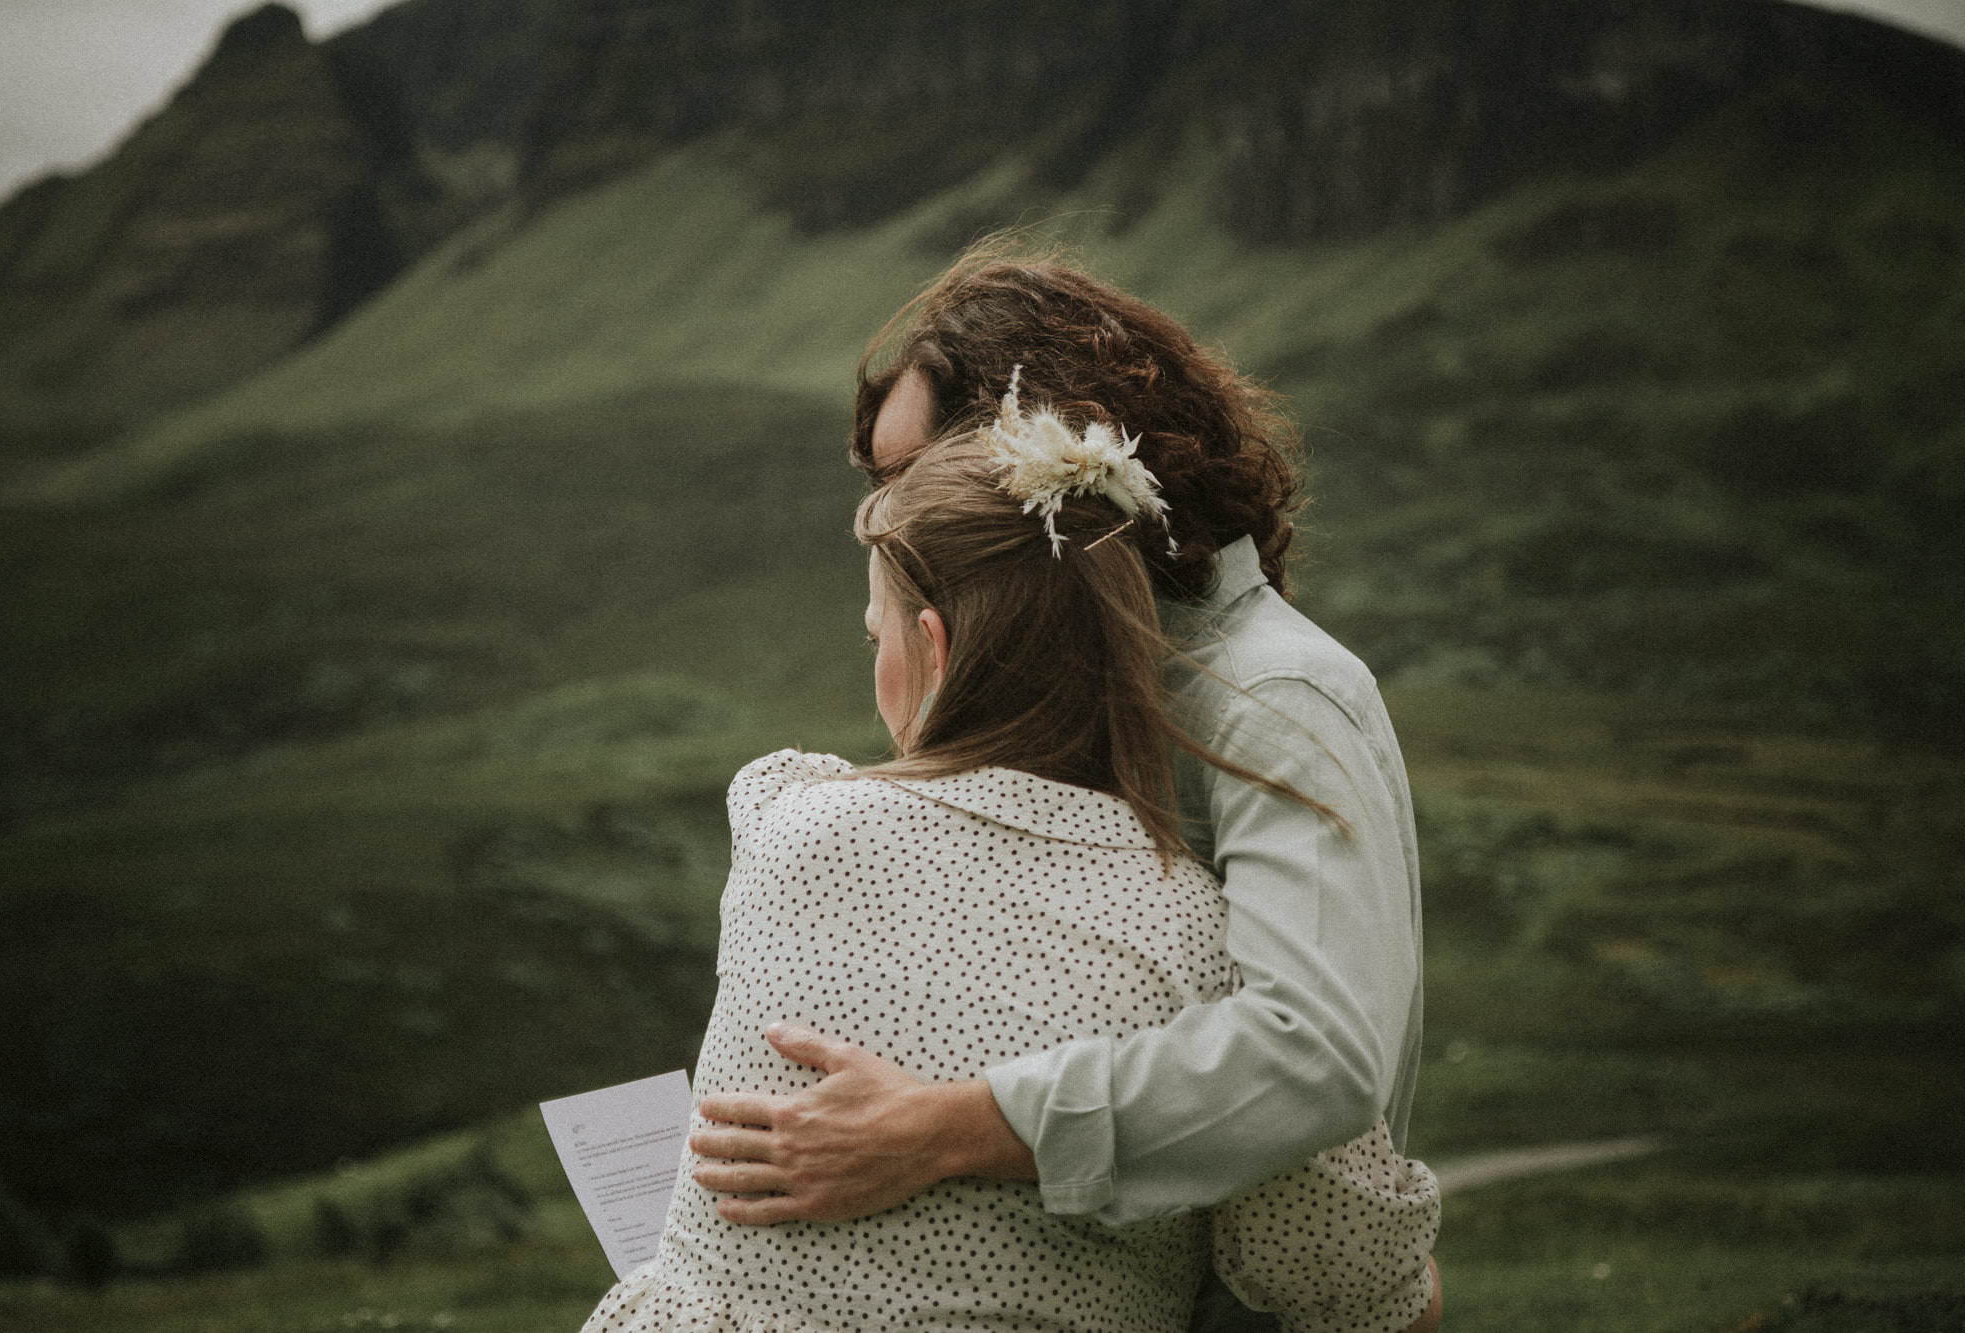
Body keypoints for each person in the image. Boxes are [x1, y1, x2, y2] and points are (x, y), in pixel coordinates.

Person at [581, 389, 1438, 1331]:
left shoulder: (786, 821)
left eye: (879, 637)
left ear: (937, 649)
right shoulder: (1199, 944)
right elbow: (1344, 1280)